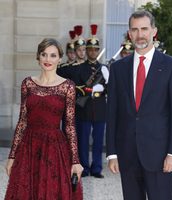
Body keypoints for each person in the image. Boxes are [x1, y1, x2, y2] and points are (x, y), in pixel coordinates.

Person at [106, 10, 172, 200]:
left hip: (160, 155)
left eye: (144, 29)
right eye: (135, 30)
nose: (140, 34)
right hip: (127, 154)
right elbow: (112, 113)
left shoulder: (171, 66)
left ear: (154, 31)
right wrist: (112, 153)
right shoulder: (118, 68)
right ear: (129, 33)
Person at [5, 38, 83, 199]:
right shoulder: (28, 83)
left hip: (54, 148)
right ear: (38, 57)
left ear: (59, 59)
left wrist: (75, 161)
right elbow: (22, 122)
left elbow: (69, 126)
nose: (48, 59)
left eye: (53, 55)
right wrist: (12, 156)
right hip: (29, 147)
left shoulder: (67, 86)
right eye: (44, 54)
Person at [77, 24, 109, 178]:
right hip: (85, 108)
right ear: (86, 51)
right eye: (90, 49)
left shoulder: (103, 68)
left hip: (100, 108)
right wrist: (89, 89)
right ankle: (84, 167)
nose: (92, 52)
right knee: (83, 141)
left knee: (98, 142)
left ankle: (96, 168)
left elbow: (110, 89)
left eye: (95, 50)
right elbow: (76, 88)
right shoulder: (80, 68)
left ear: (98, 51)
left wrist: (105, 86)